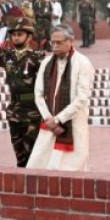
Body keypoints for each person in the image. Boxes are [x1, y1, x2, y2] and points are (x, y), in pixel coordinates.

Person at [27, 24, 94, 171]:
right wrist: (48, 119)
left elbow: (81, 99)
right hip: (49, 123)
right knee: (39, 164)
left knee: (72, 168)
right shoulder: (47, 62)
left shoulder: (82, 63)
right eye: (52, 42)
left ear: (70, 41)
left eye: (59, 42)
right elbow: (38, 94)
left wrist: (58, 120)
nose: (55, 46)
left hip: (73, 123)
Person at [0, 17, 46, 167]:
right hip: (14, 110)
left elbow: (46, 85)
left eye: (20, 34)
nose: (16, 37)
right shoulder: (8, 56)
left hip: (32, 112)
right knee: (19, 155)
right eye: (13, 34)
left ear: (29, 36)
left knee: (32, 155)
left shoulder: (37, 57)